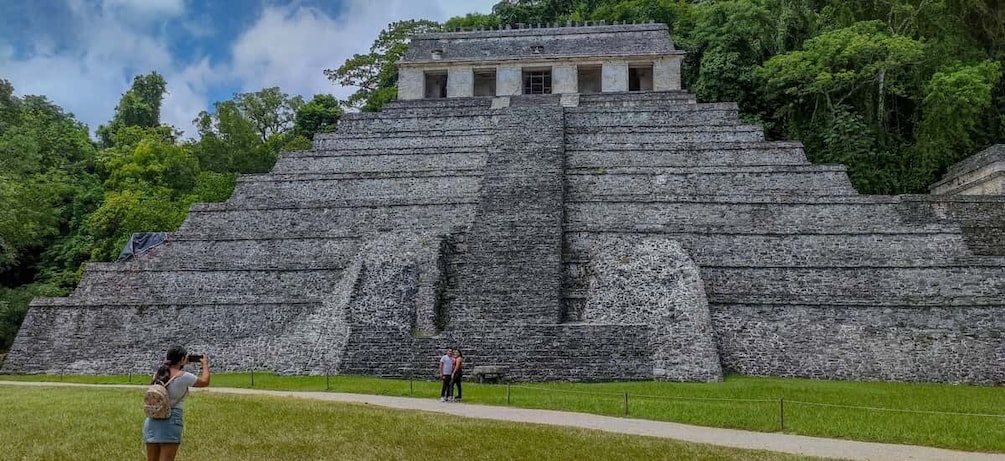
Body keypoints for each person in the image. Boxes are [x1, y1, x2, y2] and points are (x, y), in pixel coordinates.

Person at [144, 346, 210, 461]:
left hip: (153, 420)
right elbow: (205, 381)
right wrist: (204, 365)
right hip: (171, 419)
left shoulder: (157, 374)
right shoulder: (183, 376)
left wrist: (182, 361)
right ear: (181, 359)